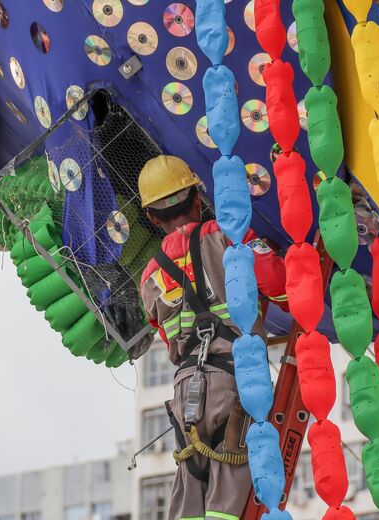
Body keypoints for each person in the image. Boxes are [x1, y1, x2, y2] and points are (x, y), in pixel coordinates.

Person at [138, 155, 289, 520]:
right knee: (231, 490)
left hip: (183, 391)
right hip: (236, 379)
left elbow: (165, 333)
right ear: (197, 198)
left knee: (190, 489)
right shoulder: (229, 237)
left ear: (153, 218)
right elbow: (281, 287)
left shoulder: (148, 277)